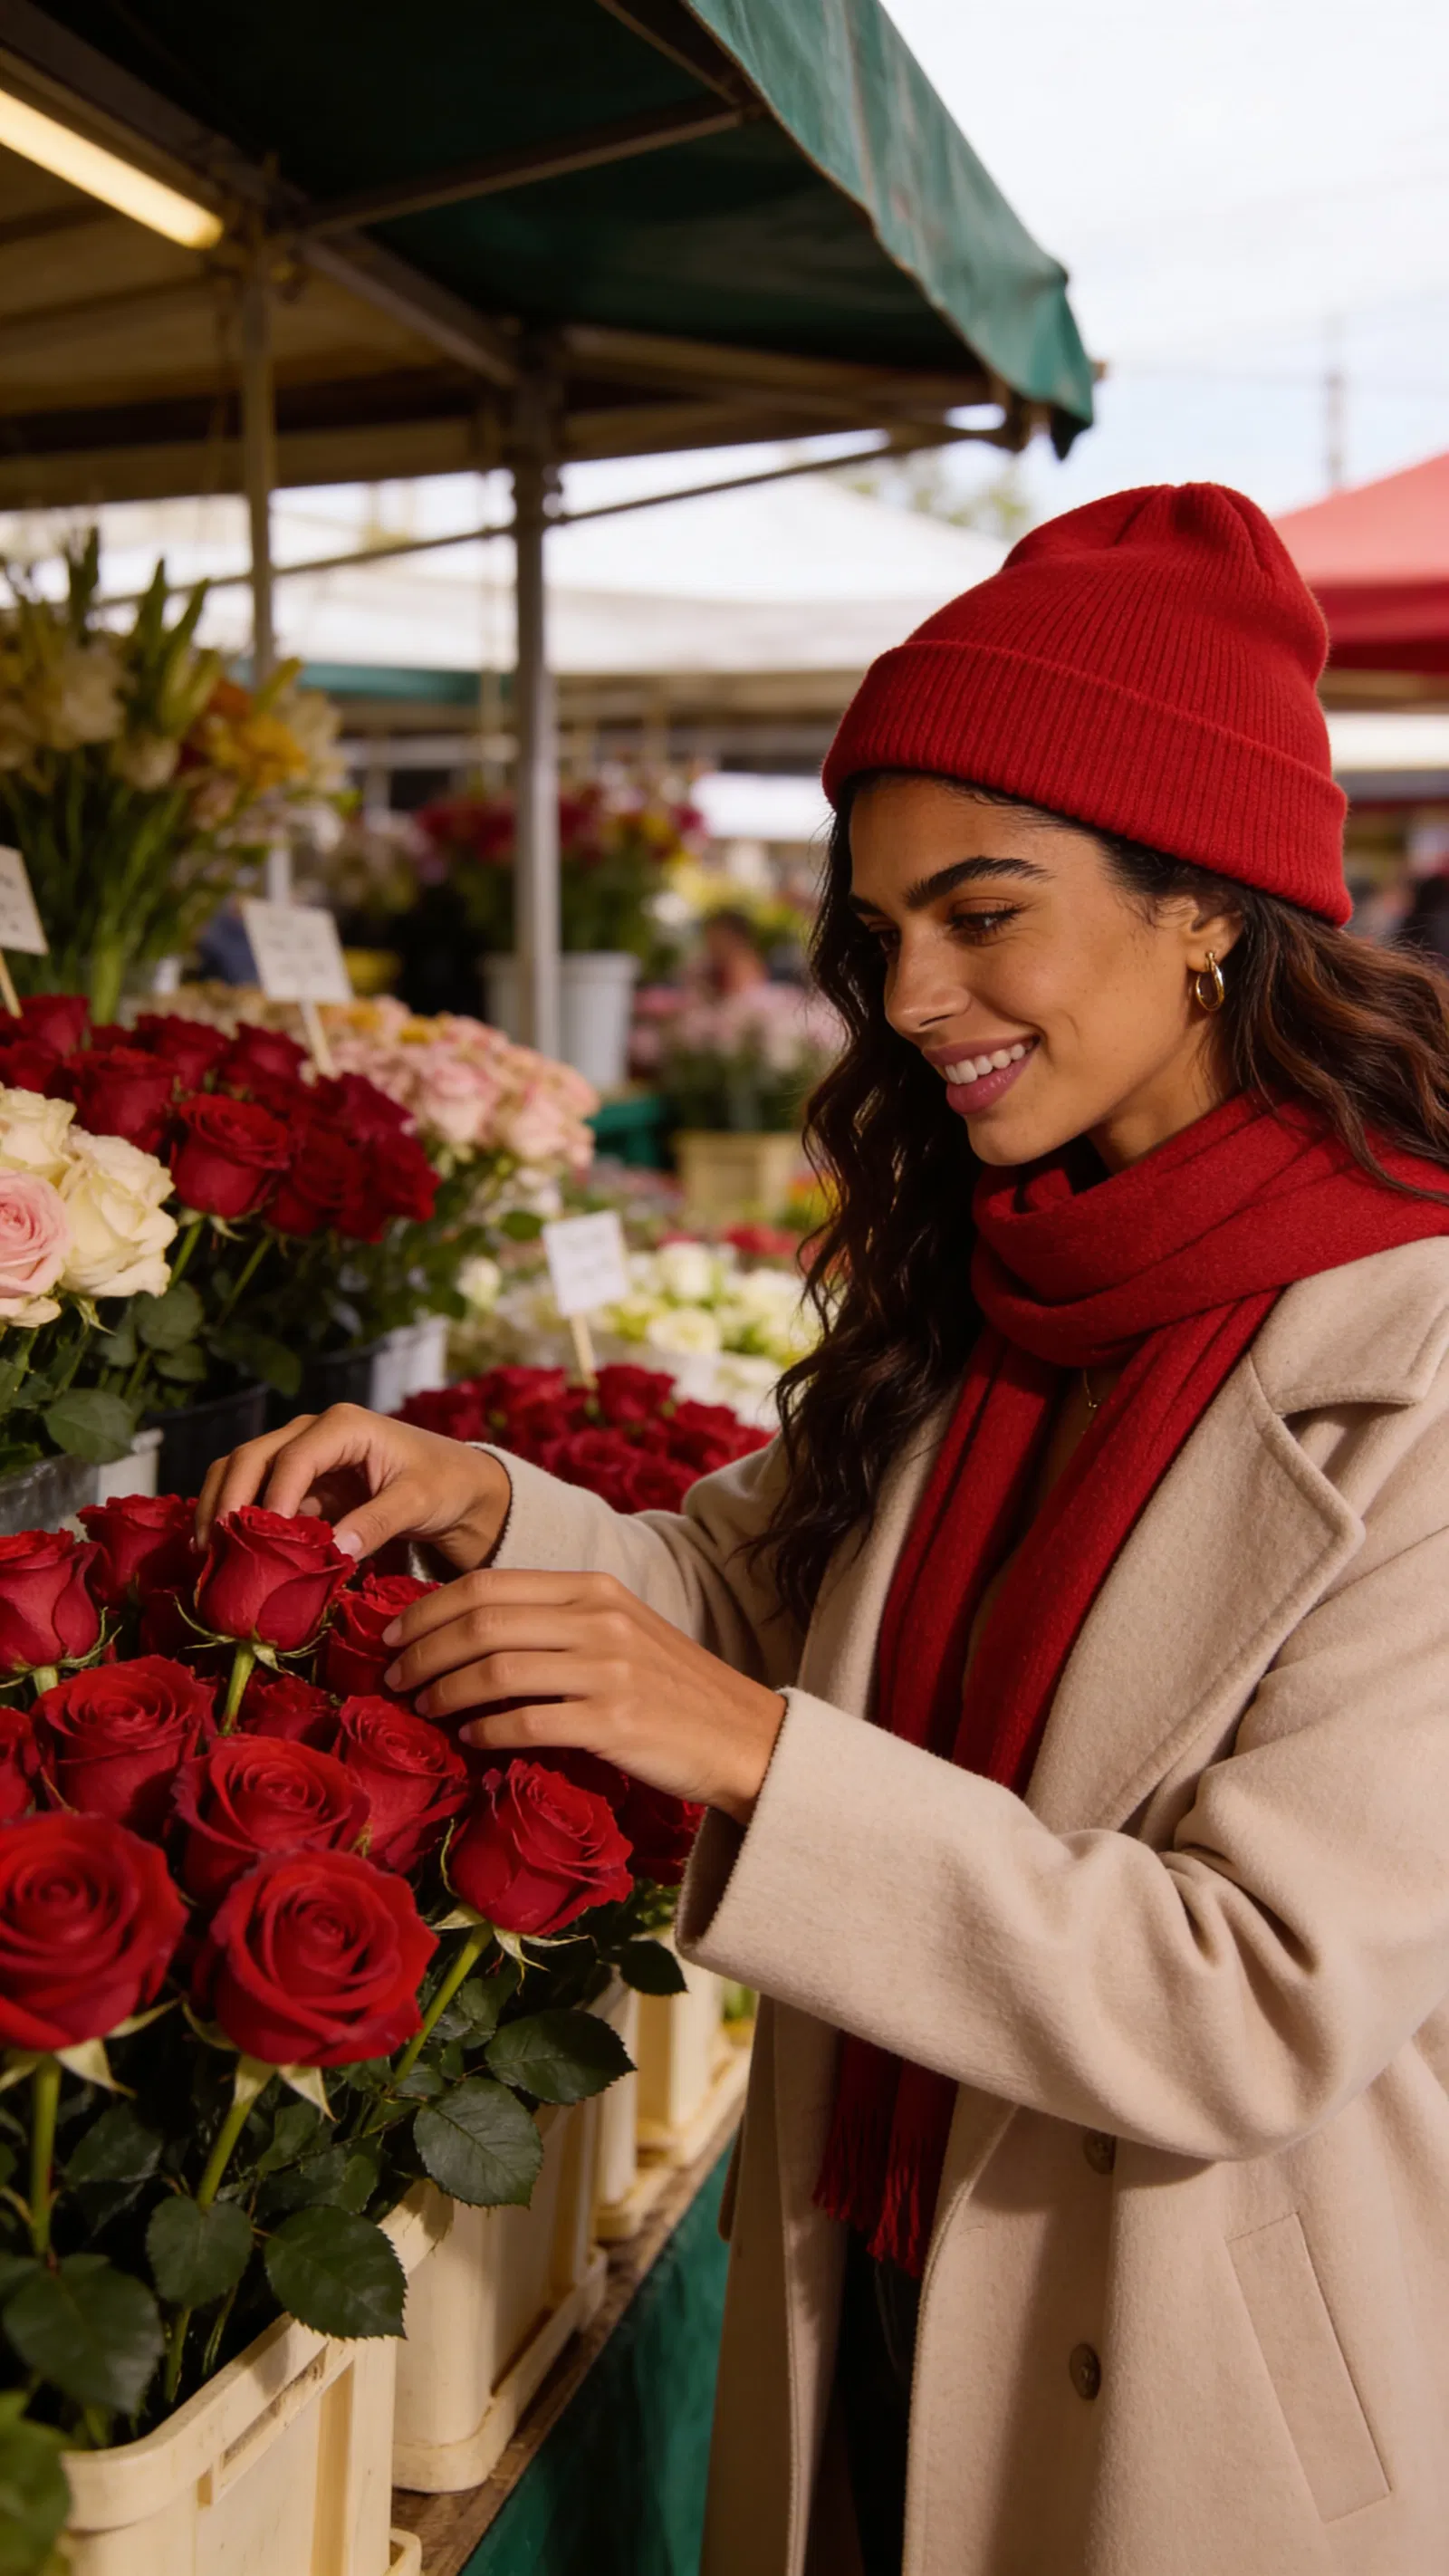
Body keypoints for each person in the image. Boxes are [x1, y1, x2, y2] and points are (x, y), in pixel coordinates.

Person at [200, 485, 1449, 2576]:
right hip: (874, 2285)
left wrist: (758, 1755)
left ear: (1209, 906)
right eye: (873, 935)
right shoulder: (1004, 1269)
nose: (911, 993)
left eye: (981, 912)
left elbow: (1246, 1991)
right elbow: (748, 1598)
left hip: (1177, 2381)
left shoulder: (1409, 1363)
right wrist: (490, 1500)